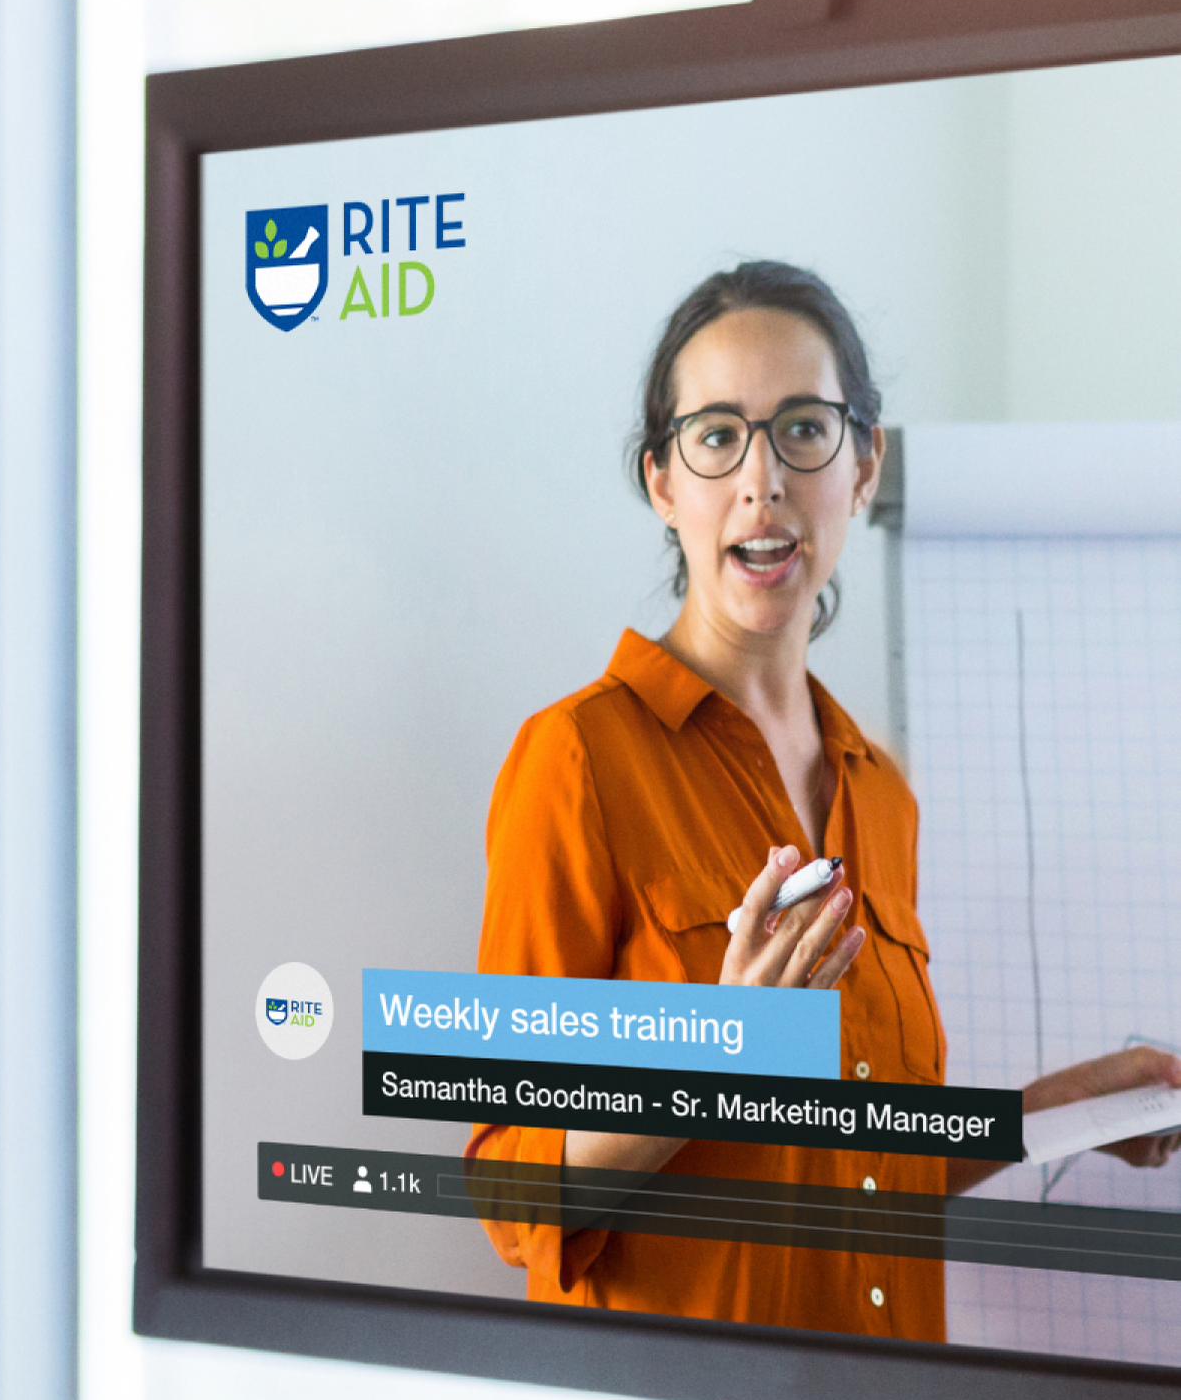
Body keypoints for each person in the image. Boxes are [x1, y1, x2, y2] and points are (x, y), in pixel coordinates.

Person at [468, 260, 1181, 1336]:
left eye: (804, 429)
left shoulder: (881, 793)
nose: (762, 483)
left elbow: (866, 1173)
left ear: (862, 465)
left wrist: (1061, 1112)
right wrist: (724, 1048)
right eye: (717, 437)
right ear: (664, 484)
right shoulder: (577, 760)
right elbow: (512, 1199)